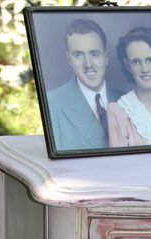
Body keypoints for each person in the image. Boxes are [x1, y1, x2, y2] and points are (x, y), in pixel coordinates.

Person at [47, 19, 122, 151]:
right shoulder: (52, 104)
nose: (88, 64)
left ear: (106, 57)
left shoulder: (127, 100)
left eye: (94, 54)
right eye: (78, 55)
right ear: (69, 59)